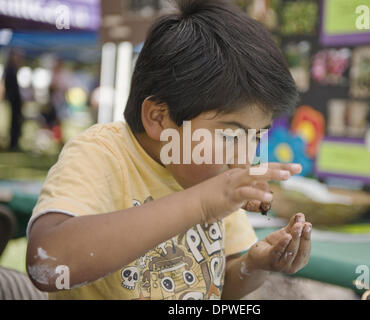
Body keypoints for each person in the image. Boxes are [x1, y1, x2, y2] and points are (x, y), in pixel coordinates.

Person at [26, 0, 312, 300]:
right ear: (159, 118)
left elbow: (221, 283)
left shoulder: (216, 180)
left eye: (256, 136)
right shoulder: (102, 155)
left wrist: (255, 264)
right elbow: (47, 264)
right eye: (230, 135)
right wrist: (201, 204)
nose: (245, 158)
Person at [3, 49, 24, 151]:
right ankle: (13, 144)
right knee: (14, 122)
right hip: (13, 101)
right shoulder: (10, 69)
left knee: (15, 122)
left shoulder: (11, 69)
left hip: (14, 101)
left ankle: (14, 143)